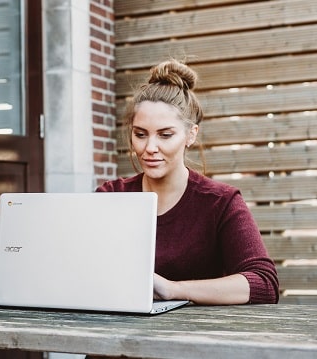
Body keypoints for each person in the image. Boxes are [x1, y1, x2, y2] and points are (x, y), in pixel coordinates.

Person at [96, 59, 279, 305]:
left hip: (194, 337)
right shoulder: (111, 196)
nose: (150, 148)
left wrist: (173, 290)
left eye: (165, 135)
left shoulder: (220, 202)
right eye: (140, 134)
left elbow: (264, 284)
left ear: (190, 135)